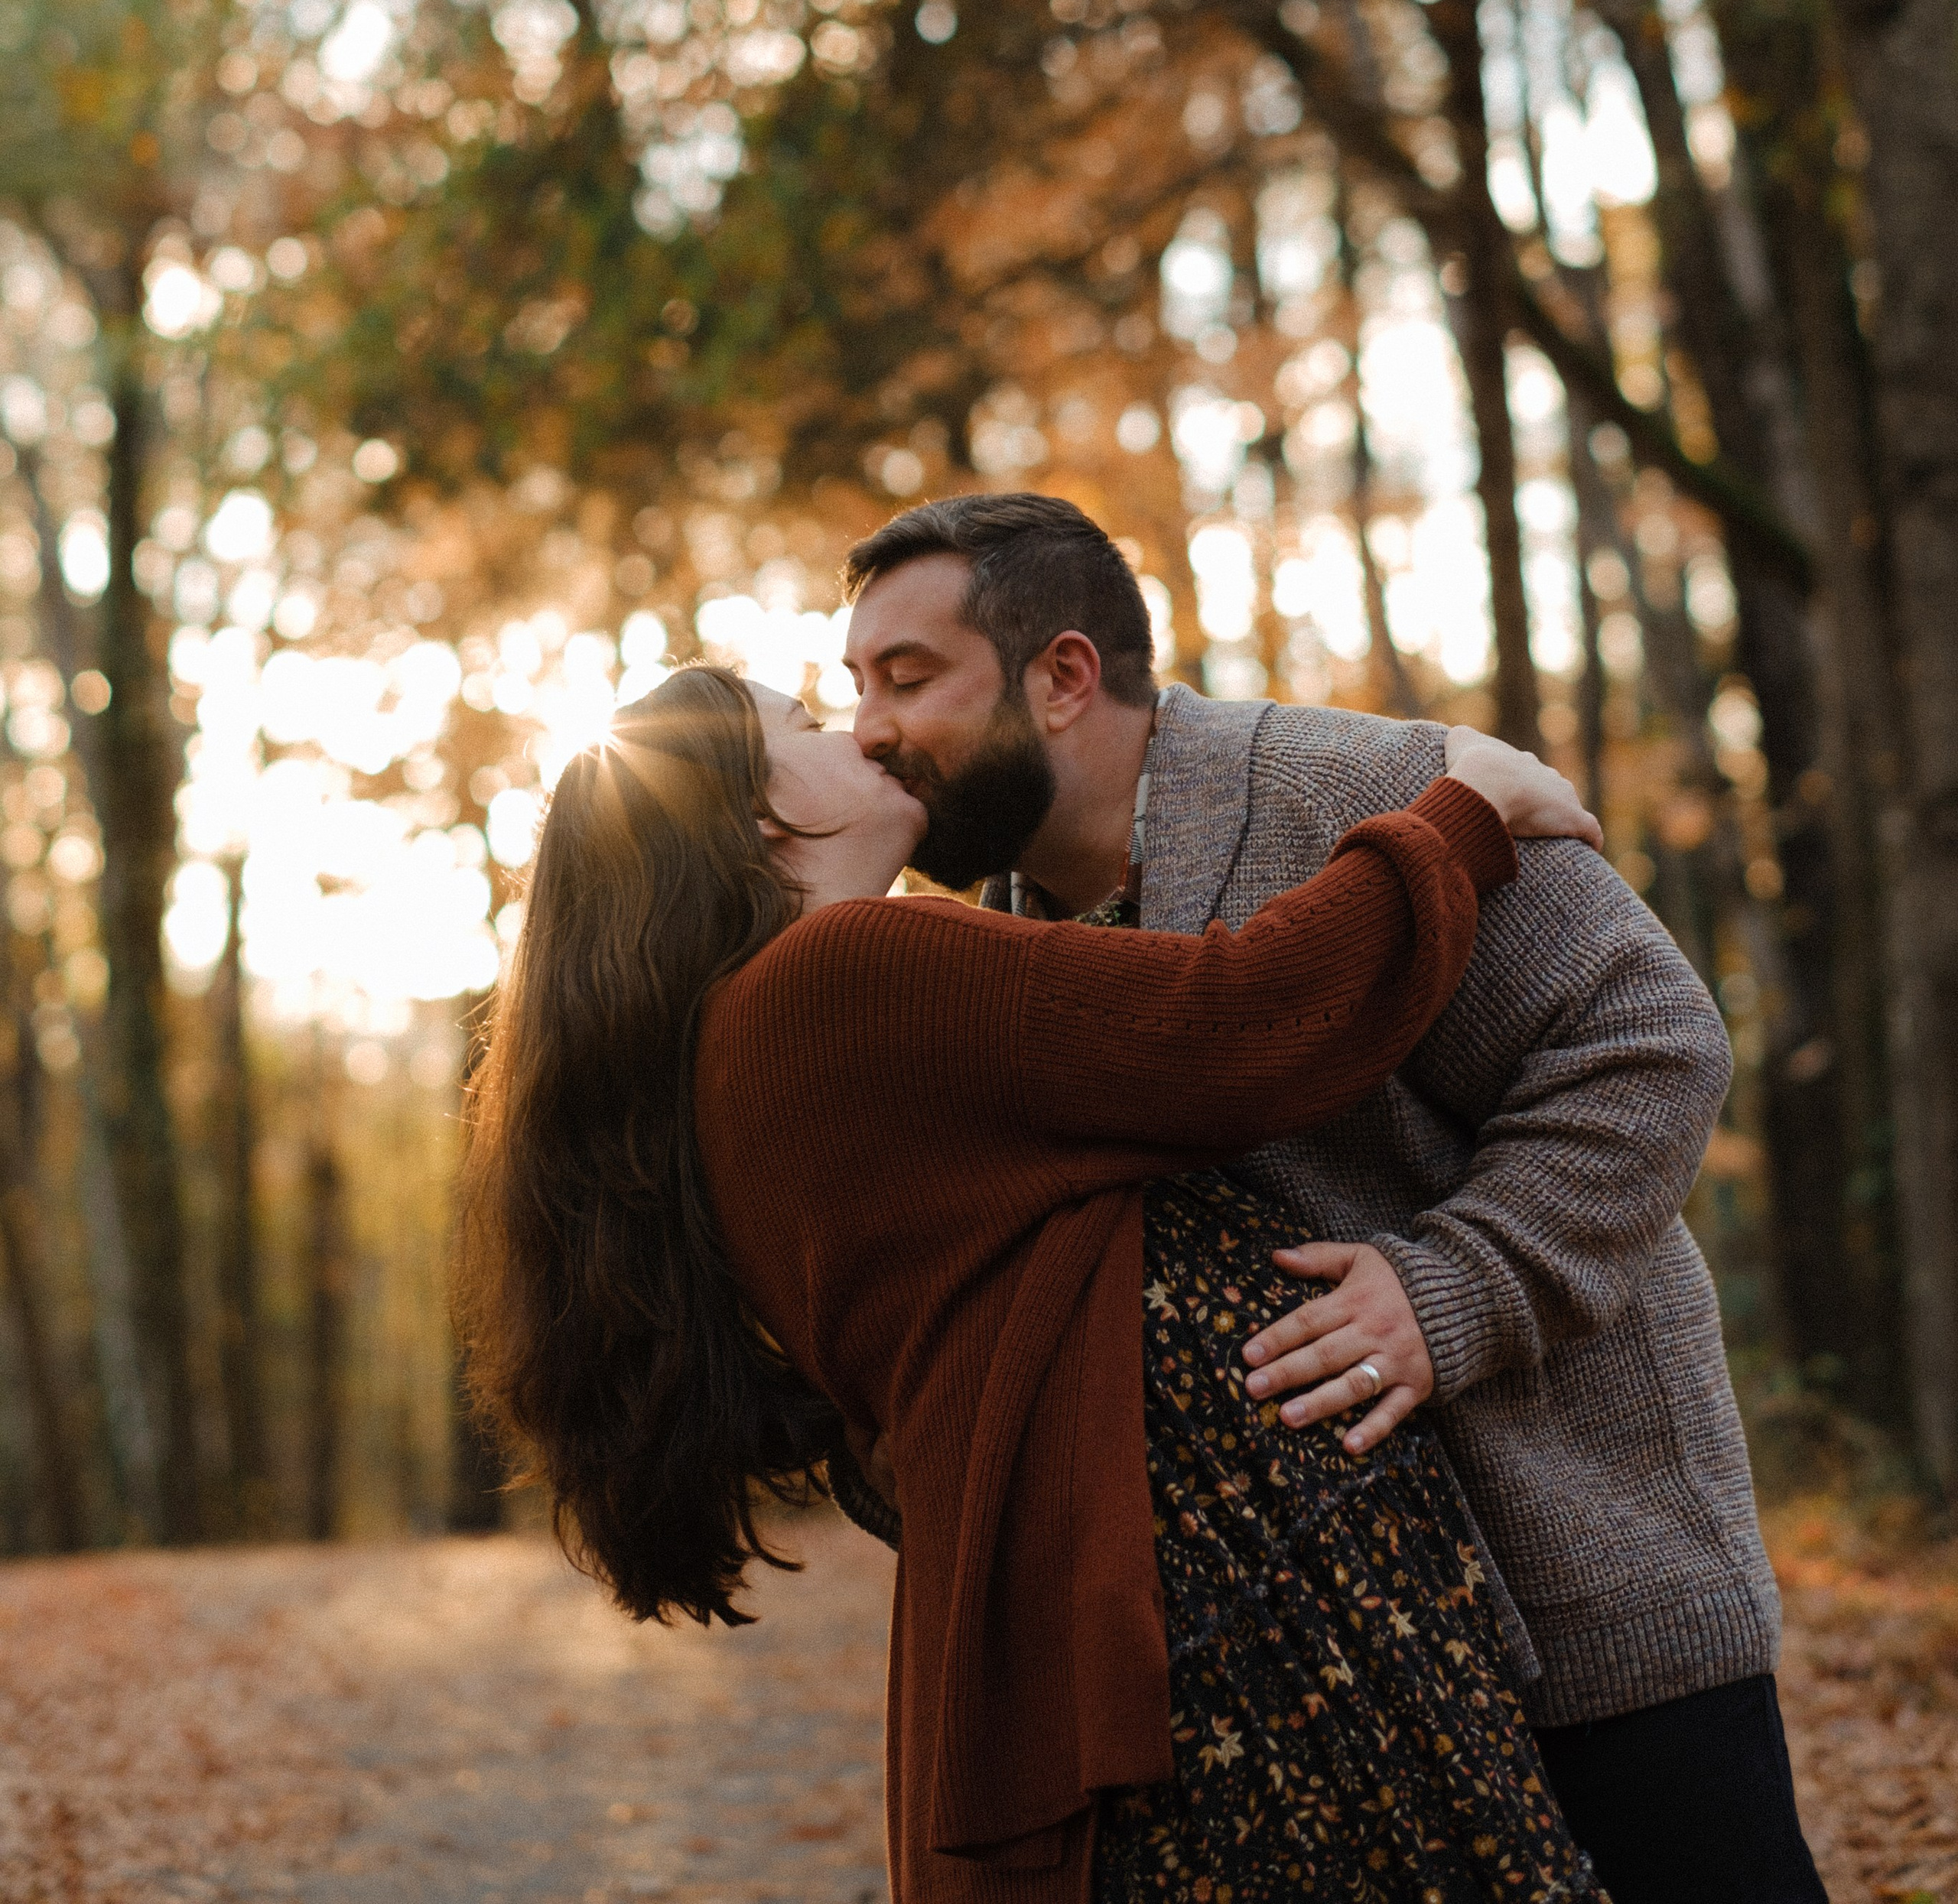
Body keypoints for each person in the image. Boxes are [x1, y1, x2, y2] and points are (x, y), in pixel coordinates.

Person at [457, 660, 1612, 1904]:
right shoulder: (836, 971)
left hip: (1153, 1597)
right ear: (754, 814)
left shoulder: (734, 1054)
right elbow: (1232, 1024)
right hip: (1214, 1603)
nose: (863, 735)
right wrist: (1457, 819)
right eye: (810, 724)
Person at [838, 492, 1830, 1904]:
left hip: (1584, 1595)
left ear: (1061, 677)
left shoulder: (1368, 794)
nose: (868, 729)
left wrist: (1454, 1285)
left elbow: (1649, 1037)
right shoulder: (1001, 947)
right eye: (856, 686)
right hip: (1330, 1682)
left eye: (907, 677)